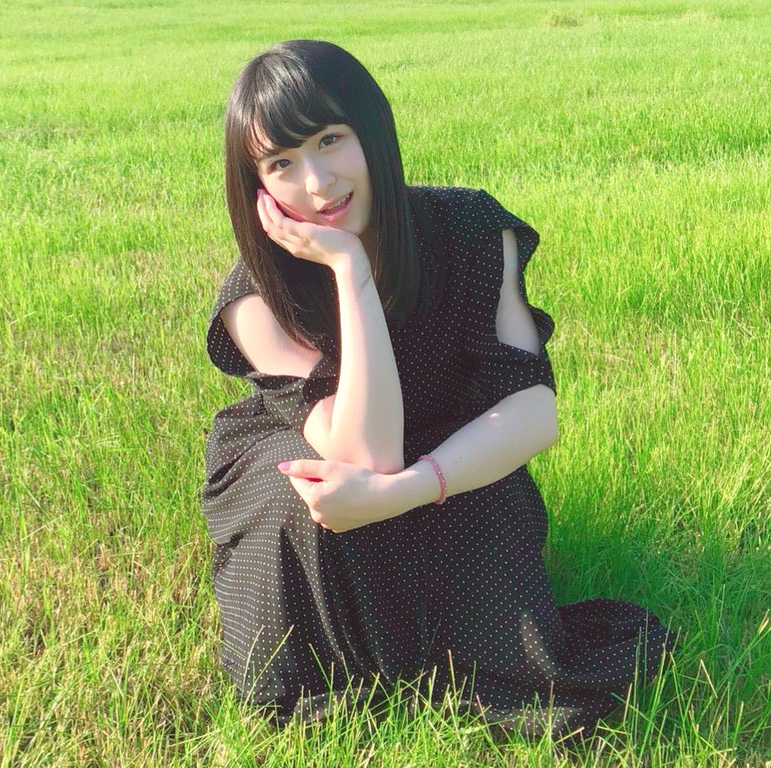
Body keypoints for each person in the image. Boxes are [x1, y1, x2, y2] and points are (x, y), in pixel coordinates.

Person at [201, 39, 674, 738]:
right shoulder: (256, 297)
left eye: (330, 140)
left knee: (485, 514)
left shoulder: (472, 229)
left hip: (449, 445)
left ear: (373, 130)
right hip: (316, 447)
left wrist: (411, 489)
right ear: (257, 187)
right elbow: (363, 455)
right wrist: (350, 272)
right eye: (281, 164)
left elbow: (532, 409)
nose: (318, 183)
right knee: (302, 506)